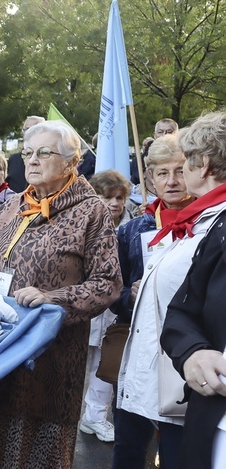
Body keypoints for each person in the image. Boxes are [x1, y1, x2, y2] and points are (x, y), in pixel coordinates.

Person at [0, 120, 122, 468]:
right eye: (27, 153)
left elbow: (108, 283)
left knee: (36, 451)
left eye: (43, 153)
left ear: (71, 162)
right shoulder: (12, 206)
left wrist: (53, 299)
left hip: (49, 361)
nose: (32, 161)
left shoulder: (90, 211)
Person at [112, 134, 195, 468]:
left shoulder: (206, 225)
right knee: (129, 447)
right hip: (137, 352)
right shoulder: (132, 230)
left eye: (179, 170)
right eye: (162, 173)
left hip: (184, 354)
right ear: (149, 179)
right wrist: (127, 296)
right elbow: (111, 290)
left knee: (177, 450)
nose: (172, 181)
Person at [161, 111, 226, 469]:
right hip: (214, 418)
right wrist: (193, 353)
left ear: (201, 165)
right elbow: (183, 310)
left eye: (185, 161)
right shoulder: (217, 227)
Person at [76, 169, 133, 443]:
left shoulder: (133, 230)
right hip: (83, 308)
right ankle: (68, 413)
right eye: (107, 196)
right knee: (76, 363)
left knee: (104, 365)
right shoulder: (82, 223)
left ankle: (95, 417)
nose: (114, 203)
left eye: (119, 197)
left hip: (112, 311)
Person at [6, 116, 45, 192]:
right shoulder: (13, 159)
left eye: (34, 129)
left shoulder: (51, 158)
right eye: (26, 129)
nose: (28, 133)